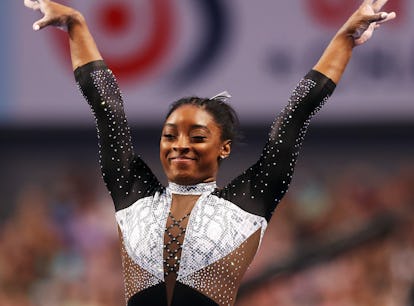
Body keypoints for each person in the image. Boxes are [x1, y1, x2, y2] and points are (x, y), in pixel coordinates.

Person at [23, 0, 396, 305]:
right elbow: (108, 109)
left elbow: (297, 113)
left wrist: (345, 38)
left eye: (197, 136)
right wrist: (78, 26)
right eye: (171, 135)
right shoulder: (133, 197)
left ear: (224, 148)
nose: (181, 144)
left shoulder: (247, 205)